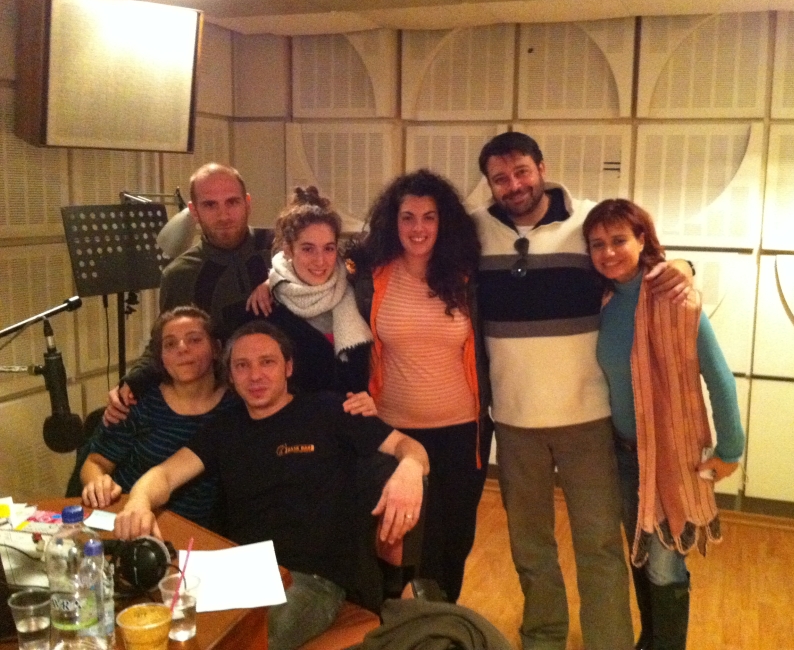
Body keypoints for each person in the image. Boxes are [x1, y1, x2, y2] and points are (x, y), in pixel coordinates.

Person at [471, 132, 693, 650]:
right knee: (531, 547)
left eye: (522, 172)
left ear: (542, 168)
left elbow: (642, 261)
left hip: (588, 420)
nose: (513, 185)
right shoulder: (475, 231)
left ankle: (609, 642)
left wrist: (683, 267)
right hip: (515, 422)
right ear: (489, 184)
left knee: (600, 545)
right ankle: (543, 636)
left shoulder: (587, 222)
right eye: (500, 178)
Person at [114, 320, 429, 650]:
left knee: (242, 642)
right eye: (242, 366)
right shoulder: (225, 428)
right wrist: (138, 501)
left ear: (288, 367)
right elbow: (164, 475)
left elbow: (409, 447)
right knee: (151, 622)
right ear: (231, 375)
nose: (255, 376)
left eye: (267, 362)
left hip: (311, 580)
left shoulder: (329, 410)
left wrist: (409, 468)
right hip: (239, 573)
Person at [583, 199, 744, 650]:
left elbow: (718, 376)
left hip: (672, 456)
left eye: (619, 240)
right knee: (641, 555)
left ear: (642, 240)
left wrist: (730, 449)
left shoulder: (674, 298)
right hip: (623, 455)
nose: (608, 252)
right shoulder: (603, 301)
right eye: (597, 244)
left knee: (665, 566)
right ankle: (650, 640)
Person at [350, 169, 491, 604]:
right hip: (394, 433)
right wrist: (272, 278)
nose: (418, 228)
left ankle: (444, 621)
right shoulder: (370, 277)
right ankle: (400, 624)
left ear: (443, 222)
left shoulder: (468, 278)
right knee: (399, 541)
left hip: (461, 433)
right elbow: (312, 273)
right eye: (408, 217)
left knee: (453, 541)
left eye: (429, 217)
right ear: (393, 222)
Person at [104, 163, 273, 423]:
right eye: (210, 205)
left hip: (297, 394)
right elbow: (165, 340)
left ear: (247, 203)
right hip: (226, 409)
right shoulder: (180, 275)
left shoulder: (282, 246)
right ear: (194, 211)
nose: (224, 215)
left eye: (232, 202)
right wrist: (132, 382)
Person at [80, 307, 237, 529]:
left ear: (216, 349)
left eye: (194, 339)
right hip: (127, 518)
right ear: (161, 358)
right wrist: (97, 482)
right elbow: (95, 461)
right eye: (170, 344)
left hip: (195, 531)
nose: (182, 348)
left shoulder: (235, 407)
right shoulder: (138, 401)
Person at [240, 186, 374, 409]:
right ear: (288, 250)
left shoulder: (356, 294)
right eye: (308, 249)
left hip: (350, 424)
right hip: (294, 427)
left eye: (328, 248)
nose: (320, 261)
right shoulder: (265, 308)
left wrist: (370, 400)